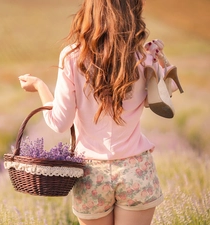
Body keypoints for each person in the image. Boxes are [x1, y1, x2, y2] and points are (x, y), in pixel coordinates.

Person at [18, 0, 182, 224]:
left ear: (90, 12)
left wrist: (39, 86)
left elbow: (59, 122)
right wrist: (159, 57)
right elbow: (167, 90)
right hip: (136, 170)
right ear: (131, 12)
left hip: (91, 175)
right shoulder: (142, 57)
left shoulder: (72, 57)